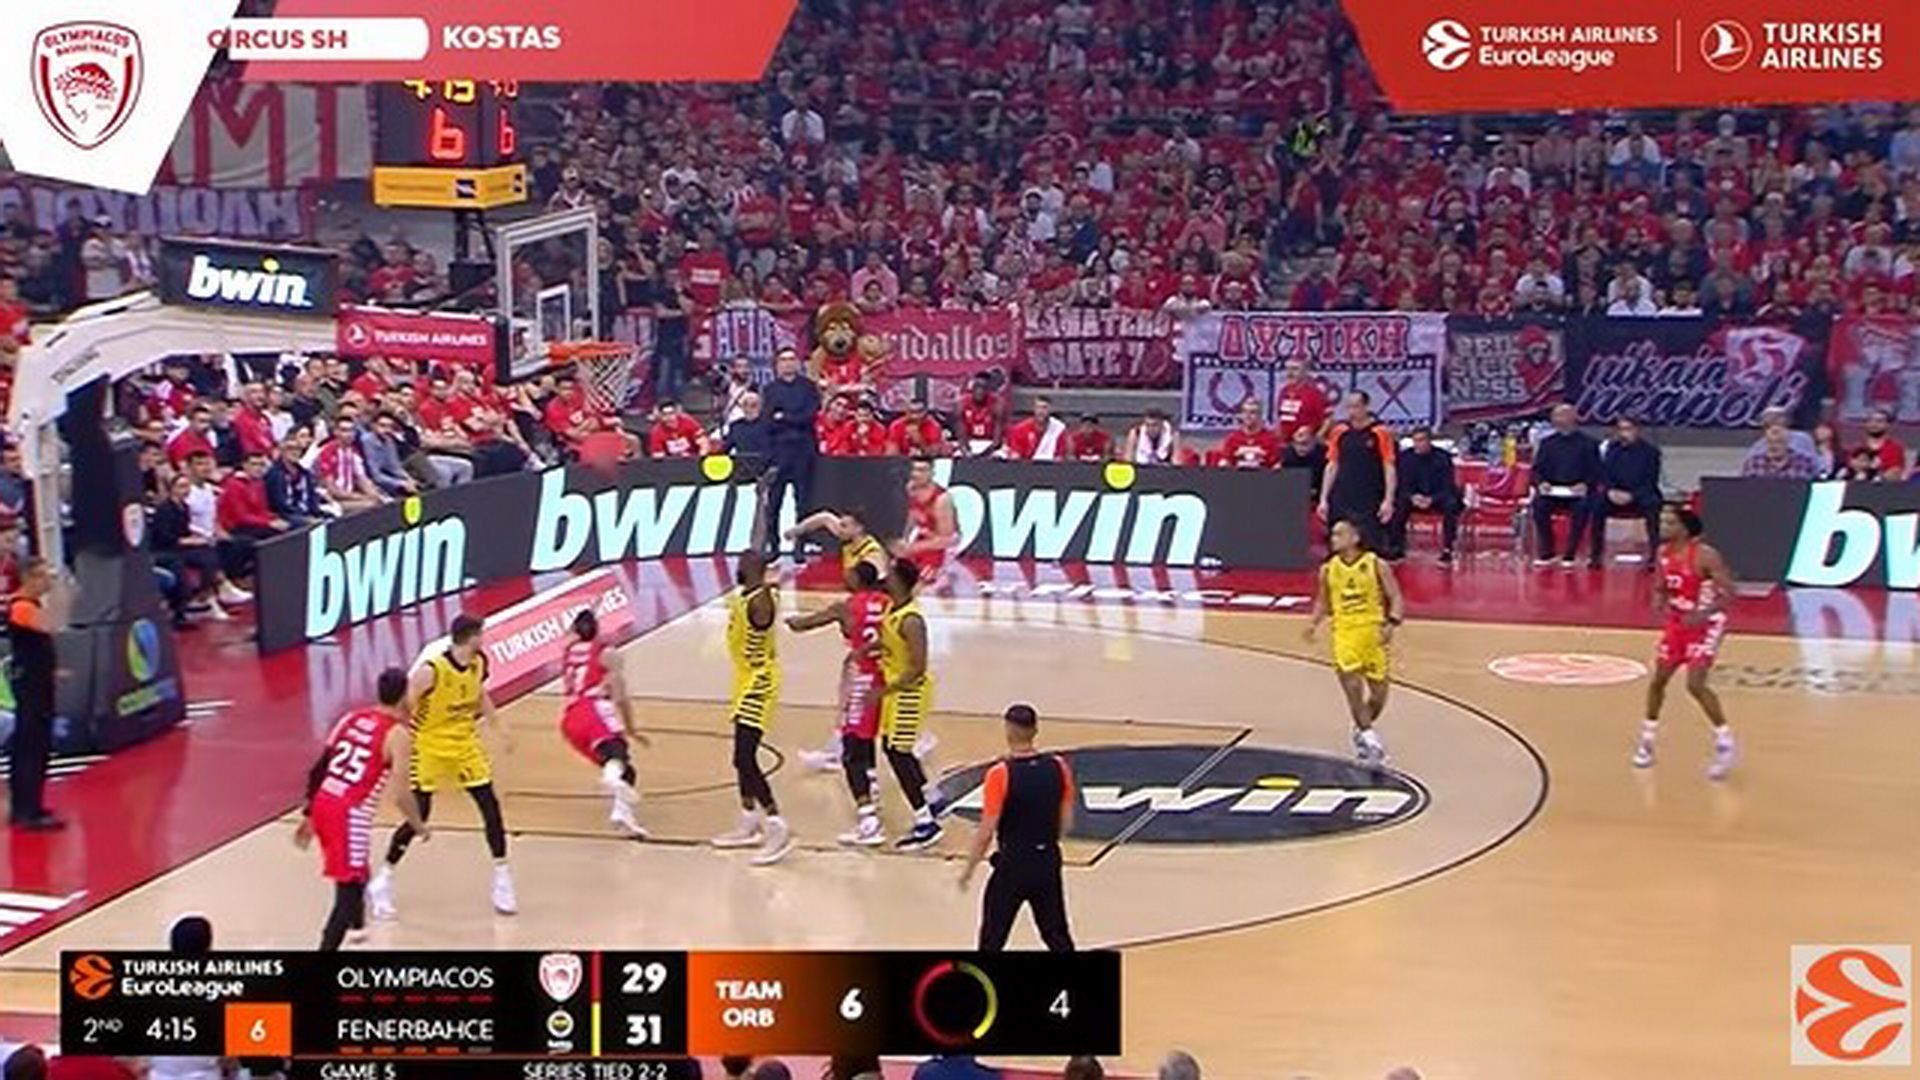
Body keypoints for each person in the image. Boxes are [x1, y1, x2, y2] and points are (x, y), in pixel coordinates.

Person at [369, 613, 518, 918]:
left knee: (489, 805)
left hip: (464, 744)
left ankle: (502, 878)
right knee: (420, 812)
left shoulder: (479, 663)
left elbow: (480, 694)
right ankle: (384, 878)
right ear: (471, 637)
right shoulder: (431, 671)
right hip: (428, 745)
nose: (484, 639)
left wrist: (498, 726)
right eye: (481, 634)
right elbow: (405, 706)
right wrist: (395, 742)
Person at [295, 667, 427, 950]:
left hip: (324, 801)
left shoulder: (351, 718)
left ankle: (358, 931)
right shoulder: (398, 735)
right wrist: (418, 825)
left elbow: (320, 768)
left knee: (356, 871)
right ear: (404, 696)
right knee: (347, 890)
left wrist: (309, 814)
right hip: (349, 813)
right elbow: (402, 795)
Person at [786, 560, 893, 845]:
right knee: (866, 739)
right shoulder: (887, 602)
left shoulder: (846, 607)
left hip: (863, 679)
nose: (846, 577)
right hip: (888, 676)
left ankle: (869, 821)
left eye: (850, 574)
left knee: (851, 750)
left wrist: (787, 620)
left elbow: (803, 625)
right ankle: (872, 786)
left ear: (858, 580)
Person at [959, 703, 1075, 951]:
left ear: (1008, 730)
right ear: (1035, 730)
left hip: (1013, 864)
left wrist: (968, 870)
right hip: (1047, 860)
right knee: (1056, 934)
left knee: (992, 938)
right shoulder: (1059, 766)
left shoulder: (1000, 774)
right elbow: (1066, 820)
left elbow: (987, 830)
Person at [1636, 505, 1737, 780]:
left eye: (1670, 522)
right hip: (1678, 623)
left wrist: (1703, 613)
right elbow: (1660, 587)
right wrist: (1659, 601)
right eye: (1662, 521)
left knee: (1695, 684)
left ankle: (1725, 742)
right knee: (1658, 680)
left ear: (1684, 528)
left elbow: (1729, 593)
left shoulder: (1705, 555)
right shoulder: (1663, 553)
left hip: (1706, 624)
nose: (1663, 526)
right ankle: (1647, 738)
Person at [709, 550, 793, 865]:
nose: (738, 567)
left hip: (760, 682)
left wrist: (769, 583)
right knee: (740, 758)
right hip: (745, 680)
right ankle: (749, 821)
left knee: (745, 756)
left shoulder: (760, 601)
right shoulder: (748, 595)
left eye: (744, 563)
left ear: (755, 569)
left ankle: (776, 823)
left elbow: (765, 605)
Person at [1305, 519, 1404, 767]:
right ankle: (1372, 743)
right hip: (1345, 634)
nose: (1333, 538)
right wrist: (1313, 623)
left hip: (1373, 633)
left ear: (1355, 538)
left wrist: (1392, 623)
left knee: (1379, 695)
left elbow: (1396, 597)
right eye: (1333, 534)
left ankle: (1361, 728)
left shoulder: (1376, 565)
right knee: (1353, 690)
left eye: (1340, 534)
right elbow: (1323, 601)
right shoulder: (1328, 570)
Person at [560, 608, 650, 837]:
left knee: (627, 772)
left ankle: (622, 815)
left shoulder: (569, 650)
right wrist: (631, 728)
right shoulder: (608, 655)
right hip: (592, 710)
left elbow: (571, 636)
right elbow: (621, 698)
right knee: (616, 754)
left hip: (570, 721)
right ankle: (610, 779)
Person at [874, 559, 943, 849]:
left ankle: (926, 821)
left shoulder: (912, 620)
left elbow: (917, 666)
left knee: (897, 752)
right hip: (896, 690)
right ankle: (932, 798)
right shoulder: (892, 609)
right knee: (895, 748)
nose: (884, 577)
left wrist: (883, 690)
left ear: (901, 582)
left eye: (890, 574)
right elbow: (892, 645)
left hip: (909, 692)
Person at [6, 559, 61, 830]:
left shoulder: (31, 605)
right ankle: (26, 811)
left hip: (38, 682)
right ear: (29, 577)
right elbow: (51, 624)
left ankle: (31, 805)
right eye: (43, 576)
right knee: (30, 747)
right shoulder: (21, 607)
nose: (48, 581)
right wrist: (64, 595)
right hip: (30, 687)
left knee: (38, 747)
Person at [1318, 391, 1396, 554]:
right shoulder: (1339, 431)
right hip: (1342, 495)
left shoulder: (1380, 432)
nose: (1352, 411)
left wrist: (1388, 500)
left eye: (1356, 407)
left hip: (1369, 496)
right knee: (1338, 543)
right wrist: (1324, 498)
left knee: (1370, 545)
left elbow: (1388, 466)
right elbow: (1332, 464)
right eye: (1349, 407)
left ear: (1366, 407)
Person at [1530, 403, 1601, 568]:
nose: (1558, 419)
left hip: (1578, 492)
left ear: (1573, 417)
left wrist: (1585, 484)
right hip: (1552, 491)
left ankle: (1570, 553)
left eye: (1562, 415)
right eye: (1556, 416)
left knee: (1583, 507)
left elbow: (1597, 471)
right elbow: (1537, 470)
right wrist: (1542, 483)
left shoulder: (1589, 444)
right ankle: (1547, 551)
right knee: (1539, 505)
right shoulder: (1547, 443)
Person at [763, 348, 822, 547]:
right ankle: (773, 544)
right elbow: (769, 421)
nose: (788, 363)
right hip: (779, 450)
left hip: (803, 449)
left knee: (803, 500)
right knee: (774, 502)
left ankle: (800, 543)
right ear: (777, 365)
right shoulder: (770, 390)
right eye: (783, 360)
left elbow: (809, 416)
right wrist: (789, 419)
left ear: (797, 363)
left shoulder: (808, 387)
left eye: (791, 359)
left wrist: (784, 417)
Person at [1594, 418, 1663, 564]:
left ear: (1637, 431)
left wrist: (1632, 495)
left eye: (1627, 429)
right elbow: (1604, 474)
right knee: (1596, 505)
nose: (1623, 433)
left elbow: (1650, 480)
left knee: (1652, 504)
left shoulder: (1650, 452)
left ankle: (1654, 554)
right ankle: (1596, 555)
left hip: (1640, 494)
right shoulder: (1612, 450)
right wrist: (1611, 491)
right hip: (1615, 494)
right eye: (1620, 429)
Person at [1387, 427, 1460, 563]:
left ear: (1429, 441)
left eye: (1421, 440)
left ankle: (1448, 548)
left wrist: (1432, 499)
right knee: (1398, 505)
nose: (1418, 444)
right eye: (1415, 441)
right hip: (1413, 497)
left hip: (1438, 496)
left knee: (1451, 505)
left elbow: (1448, 485)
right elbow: (1401, 484)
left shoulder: (1443, 457)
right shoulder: (1405, 458)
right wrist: (1412, 497)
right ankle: (1397, 546)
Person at [898, 457, 959, 585]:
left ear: (932, 473)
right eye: (914, 469)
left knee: (921, 583)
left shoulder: (942, 500)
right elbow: (912, 515)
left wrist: (913, 548)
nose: (916, 474)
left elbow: (947, 540)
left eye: (921, 470)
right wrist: (905, 538)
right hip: (925, 539)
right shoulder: (911, 487)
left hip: (943, 547)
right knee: (898, 572)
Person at [315, 414, 387, 513]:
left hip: (350, 496)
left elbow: (362, 479)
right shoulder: (327, 452)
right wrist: (362, 497)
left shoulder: (354, 452)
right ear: (336, 432)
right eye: (344, 430)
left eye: (352, 430)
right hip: (331, 501)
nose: (349, 434)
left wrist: (374, 495)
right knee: (371, 505)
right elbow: (332, 490)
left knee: (381, 503)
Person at [1217, 398, 1281, 468]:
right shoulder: (1232, 439)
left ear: (1260, 415)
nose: (1248, 416)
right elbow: (1225, 461)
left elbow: (1276, 465)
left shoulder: (1270, 439)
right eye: (1245, 412)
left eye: (1252, 412)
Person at [1741, 423, 1820, 478]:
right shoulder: (1753, 463)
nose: (1774, 446)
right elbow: (1744, 490)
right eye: (1770, 442)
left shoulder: (1805, 462)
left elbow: (1818, 487)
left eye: (1779, 442)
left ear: (1788, 442)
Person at [1857, 408, 1908, 481]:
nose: (1873, 424)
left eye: (1879, 421)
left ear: (1888, 425)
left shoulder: (1895, 449)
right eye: (1870, 421)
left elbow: (1895, 474)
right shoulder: (1856, 447)